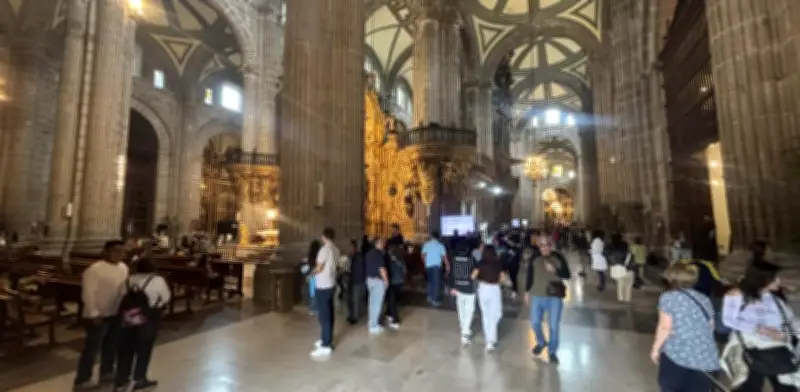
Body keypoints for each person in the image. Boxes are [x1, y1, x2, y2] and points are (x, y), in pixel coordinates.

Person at [721, 262, 800, 391]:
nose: (779, 281)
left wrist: (791, 333)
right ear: (762, 279)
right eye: (775, 278)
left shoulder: (775, 298)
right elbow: (729, 320)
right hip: (751, 347)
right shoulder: (737, 295)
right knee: (750, 385)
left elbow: (790, 320)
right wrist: (760, 330)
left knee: (787, 386)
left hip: (778, 347)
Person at [650, 263, 720, 392]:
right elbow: (711, 326)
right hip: (706, 357)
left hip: (678, 354)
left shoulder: (669, 298)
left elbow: (665, 327)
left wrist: (655, 349)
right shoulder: (704, 298)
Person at [74, 240, 130, 389]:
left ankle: (106, 372)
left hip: (115, 312)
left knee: (111, 346)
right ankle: (83, 378)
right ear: (106, 252)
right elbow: (88, 293)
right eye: (116, 251)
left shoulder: (124, 268)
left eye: (122, 251)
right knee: (92, 349)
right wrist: (94, 313)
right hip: (98, 316)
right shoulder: (94, 270)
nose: (120, 254)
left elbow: (123, 289)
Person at [113, 258, 171, 392]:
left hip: (128, 319)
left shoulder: (128, 280)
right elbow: (166, 297)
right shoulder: (157, 280)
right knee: (144, 349)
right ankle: (139, 378)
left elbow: (120, 296)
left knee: (126, 349)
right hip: (149, 319)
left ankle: (122, 379)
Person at [525, 236, 570, 365]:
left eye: (546, 245)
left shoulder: (558, 257)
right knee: (534, 323)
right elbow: (530, 275)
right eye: (541, 245)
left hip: (554, 297)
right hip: (537, 295)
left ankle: (552, 352)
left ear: (551, 245)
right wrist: (527, 292)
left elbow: (567, 274)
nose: (544, 248)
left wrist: (556, 270)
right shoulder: (535, 258)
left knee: (553, 326)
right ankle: (541, 342)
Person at [309, 228, 340, 359]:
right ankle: (326, 338)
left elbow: (319, 267)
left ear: (324, 237)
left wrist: (310, 273)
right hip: (331, 283)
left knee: (324, 315)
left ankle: (326, 345)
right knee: (329, 312)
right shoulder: (336, 249)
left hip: (323, 285)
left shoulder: (324, 250)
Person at [472, 245, 505, 352]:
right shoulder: (498, 263)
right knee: (497, 313)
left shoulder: (480, 262)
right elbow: (503, 278)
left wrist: (481, 278)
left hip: (483, 288)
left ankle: (489, 340)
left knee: (486, 314)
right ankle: (491, 339)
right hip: (494, 289)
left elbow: (473, 276)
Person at [449, 240, 478, 345]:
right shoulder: (470, 259)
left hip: (458, 287)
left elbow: (451, 274)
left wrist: (452, 286)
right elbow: (475, 272)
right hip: (469, 288)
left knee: (461, 308)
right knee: (469, 310)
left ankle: (463, 326)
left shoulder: (454, 259)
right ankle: (465, 333)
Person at [365, 237, 389, 335]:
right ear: (378, 243)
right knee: (377, 304)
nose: (383, 245)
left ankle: (371, 322)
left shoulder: (368, 253)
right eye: (382, 243)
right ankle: (373, 326)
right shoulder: (378, 254)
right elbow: (381, 268)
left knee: (372, 303)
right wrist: (386, 281)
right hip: (378, 281)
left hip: (369, 280)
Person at [422, 231, 449, 306]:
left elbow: (423, 255)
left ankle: (429, 297)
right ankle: (435, 300)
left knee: (430, 282)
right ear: (438, 237)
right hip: (436, 266)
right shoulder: (440, 245)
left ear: (431, 236)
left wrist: (425, 263)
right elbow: (444, 257)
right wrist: (447, 265)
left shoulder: (426, 244)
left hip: (428, 266)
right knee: (436, 283)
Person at [606, 233, 634, 303]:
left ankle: (620, 298)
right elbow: (633, 262)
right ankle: (627, 298)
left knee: (620, 284)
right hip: (629, 270)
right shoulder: (629, 253)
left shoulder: (613, 253)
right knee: (628, 285)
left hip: (619, 270)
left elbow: (610, 261)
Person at [385, 245, 405, 330]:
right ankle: (389, 313)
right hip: (400, 282)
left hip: (392, 283)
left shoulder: (389, 261)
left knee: (391, 301)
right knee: (393, 300)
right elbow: (404, 271)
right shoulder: (401, 260)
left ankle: (395, 320)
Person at [347, 239, 367, 325]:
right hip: (352, 281)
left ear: (354, 247)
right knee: (351, 299)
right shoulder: (352, 256)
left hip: (357, 281)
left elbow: (360, 270)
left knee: (356, 300)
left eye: (350, 247)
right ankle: (351, 315)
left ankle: (355, 317)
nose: (349, 249)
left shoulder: (358, 256)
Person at [305, 240, 322, 315]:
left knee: (312, 293)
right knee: (317, 292)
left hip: (311, 274)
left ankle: (312, 308)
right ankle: (315, 308)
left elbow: (309, 264)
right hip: (317, 274)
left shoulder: (310, 255)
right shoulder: (319, 254)